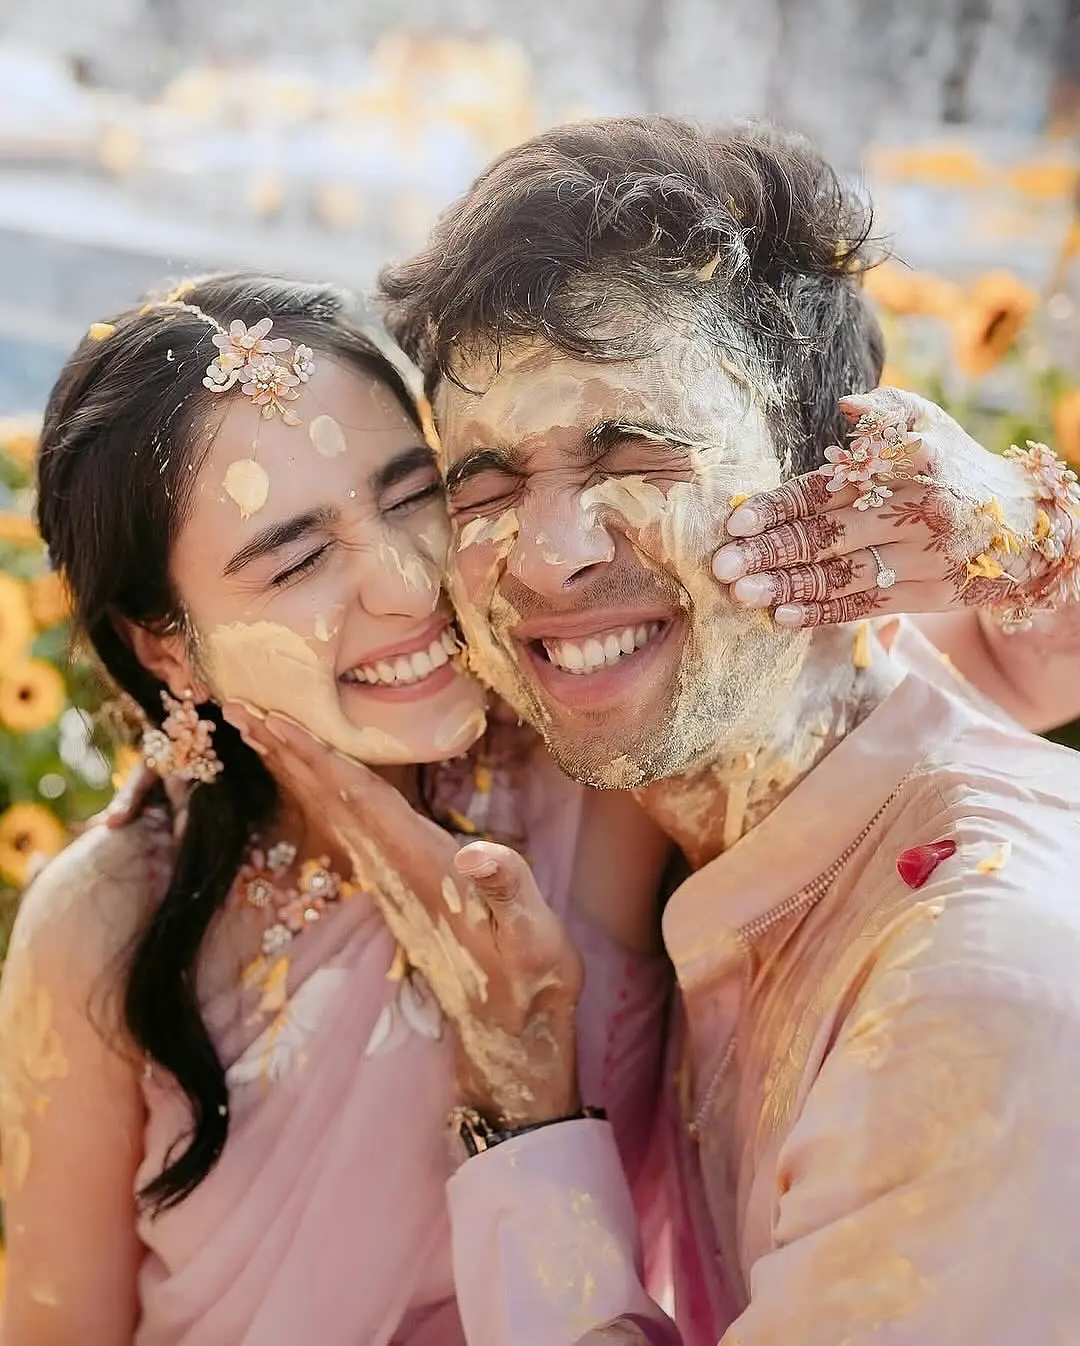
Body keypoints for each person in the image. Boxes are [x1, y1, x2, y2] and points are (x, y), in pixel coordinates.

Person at [330, 115, 1080, 1343]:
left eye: (635, 454)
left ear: (836, 482)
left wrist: (525, 1117)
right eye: (488, 483)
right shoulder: (704, 819)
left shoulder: (969, 994)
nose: (552, 552)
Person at [0, 273, 675, 1346]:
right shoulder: (106, 920)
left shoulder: (598, 764)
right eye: (301, 557)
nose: (407, 584)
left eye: (415, 495)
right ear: (167, 645)